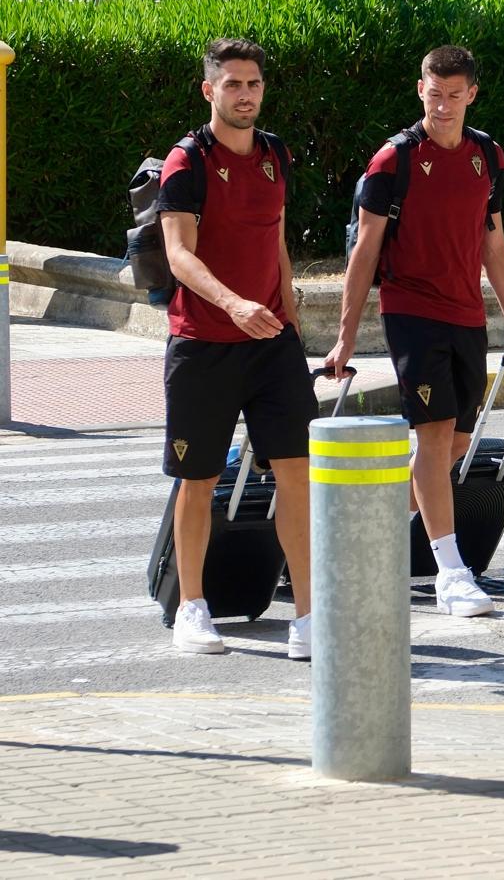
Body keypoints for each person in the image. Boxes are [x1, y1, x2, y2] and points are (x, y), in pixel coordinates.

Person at [325, 45, 504, 618]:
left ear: (471, 94)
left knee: (456, 445)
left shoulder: (488, 157)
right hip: (410, 311)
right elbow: (364, 252)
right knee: (434, 432)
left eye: (454, 95)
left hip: (467, 314)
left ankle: (354, 541)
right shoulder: (394, 160)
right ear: (419, 89)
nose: (442, 105)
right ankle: (451, 573)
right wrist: (344, 338)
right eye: (433, 93)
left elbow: (492, 243)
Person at [157, 38, 316, 658]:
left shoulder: (275, 154)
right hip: (204, 344)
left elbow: (274, 238)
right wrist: (233, 304)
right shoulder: (186, 162)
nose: (244, 94)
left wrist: (289, 314)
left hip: (272, 343)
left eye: (252, 84)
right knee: (197, 481)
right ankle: (192, 610)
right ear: (209, 90)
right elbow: (178, 254)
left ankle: (307, 616)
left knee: (298, 478)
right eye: (232, 84)